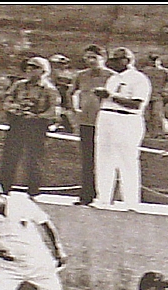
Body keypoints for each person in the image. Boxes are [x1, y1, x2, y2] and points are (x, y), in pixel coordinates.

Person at [93, 47, 151, 209]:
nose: (112, 63)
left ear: (126, 60)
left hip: (126, 119)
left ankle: (131, 201)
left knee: (127, 161)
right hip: (106, 117)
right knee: (104, 159)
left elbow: (136, 103)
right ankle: (103, 198)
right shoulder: (113, 79)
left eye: (116, 60)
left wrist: (111, 96)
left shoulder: (138, 79)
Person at [0, 56, 61, 197]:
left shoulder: (49, 90)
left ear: (43, 71)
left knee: (34, 159)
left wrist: (37, 116)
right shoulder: (19, 85)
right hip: (18, 123)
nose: (29, 70)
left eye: (34, 67)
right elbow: (7, 101)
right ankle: (4, 187)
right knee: (9, 157)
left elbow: (54, 111)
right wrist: (15, 108)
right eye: (28, 67)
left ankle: (33, 190)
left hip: (36, 126)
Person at [70, 45, 115, 205]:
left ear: (103, 58)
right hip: (86, 122)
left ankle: (107, 196)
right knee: (87, 159)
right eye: (87, 57)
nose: (90, 61)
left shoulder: (112, 76)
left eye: (93, 58)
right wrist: (75, 110)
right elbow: (71, 93)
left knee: (106, 160)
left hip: (106, 123)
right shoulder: (81, 76)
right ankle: (86, 195)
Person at [141, 54, 168, 138]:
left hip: (158, 96)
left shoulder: (164, 71)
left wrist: (167, 91)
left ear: (159, 61)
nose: (154, 62)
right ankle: (149, 133)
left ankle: (159, 133)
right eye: (152, 60)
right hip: (146, 95)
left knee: (157, 114)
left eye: (156, 60)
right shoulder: (144, 71)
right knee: (146, 115)